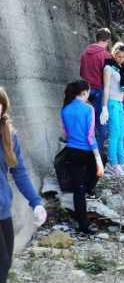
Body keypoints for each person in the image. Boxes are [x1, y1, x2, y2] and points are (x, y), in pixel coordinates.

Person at [0, 87, 47, 283]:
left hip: (4, 211)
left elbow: (19, 172)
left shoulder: (9, 136)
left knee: (5, 265)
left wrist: (35, 202)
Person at [61, 80, 104, 235]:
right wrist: (98, 158)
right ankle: (90, 188)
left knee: (77, 191)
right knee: (102, 159)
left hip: (71, 152)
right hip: (86, 152)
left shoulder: (65, 109)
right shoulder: (88, 109)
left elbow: (66, 132)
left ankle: (82, 226)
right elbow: (90, 135)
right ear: (85, 92)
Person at [100, 42, 124, 177]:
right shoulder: (108, 68)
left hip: (120, 103)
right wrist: (104, 107)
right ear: (114, 54)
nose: (121, 59)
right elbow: (106, 88)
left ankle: (121, 163)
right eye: (119, 56)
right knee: (114, 134)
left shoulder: (120, 69)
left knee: (121, 133)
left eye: (123, 57)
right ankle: (112, 165)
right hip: (111, 103)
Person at [80, 28, 112, 155]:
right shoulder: (105, 55)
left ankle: (83, 150)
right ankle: (97, 153)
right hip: (98, 90)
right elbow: (107, 78)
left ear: (96, 39)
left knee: (85, 122)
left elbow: (81, 72)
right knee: (101, 122)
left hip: (84, 90)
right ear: (107, 41)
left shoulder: (85, 54)